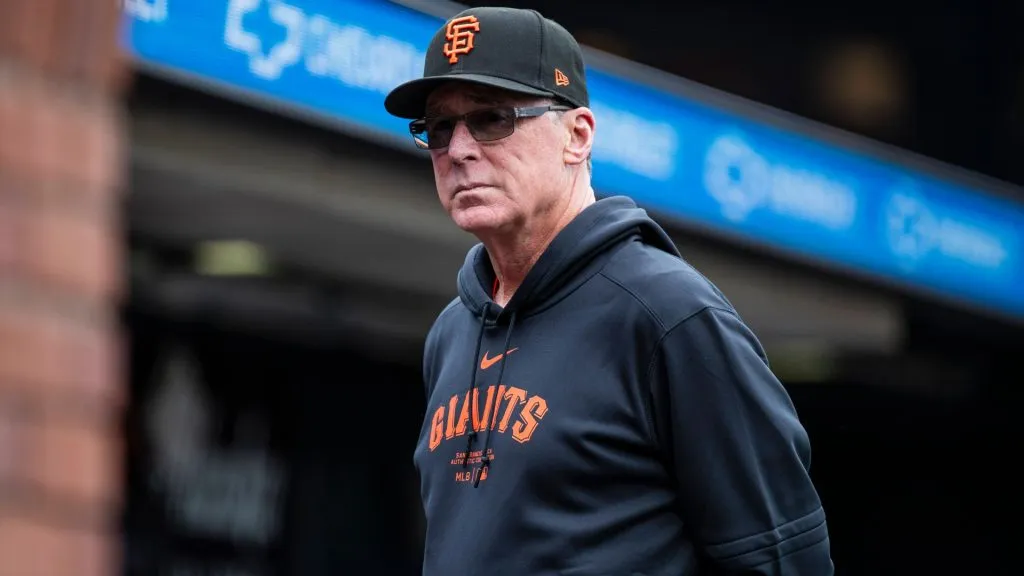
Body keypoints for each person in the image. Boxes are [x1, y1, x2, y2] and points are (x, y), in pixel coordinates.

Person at [384, 6, 833, 576]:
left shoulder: (670, 313)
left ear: (577, 136)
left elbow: (782, 560)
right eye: (439, 128)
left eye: (493, 118)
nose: (459, 149)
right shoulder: (452, 331)